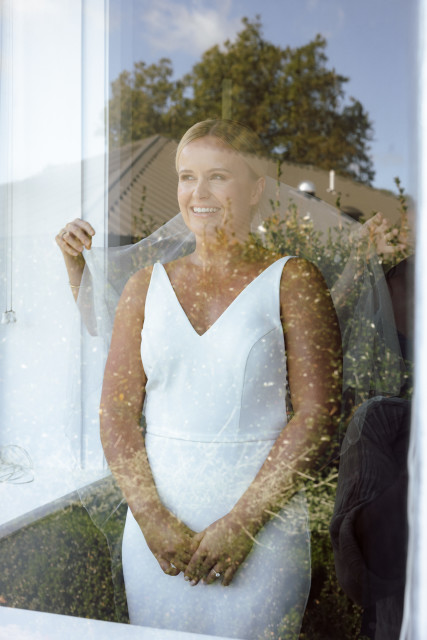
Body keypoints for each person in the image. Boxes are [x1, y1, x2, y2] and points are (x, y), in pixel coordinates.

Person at [57, 120, 341, 639]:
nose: (199, 193)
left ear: (255, 190)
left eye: (218, 176)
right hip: (156, 537)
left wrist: (243, 525)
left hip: (263, 533)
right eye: (188, 177)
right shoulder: (143, 286)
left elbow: (318, 414)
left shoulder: (294, 279)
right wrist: (150, 520)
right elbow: (116, 413)